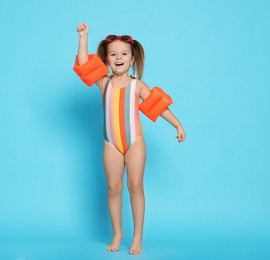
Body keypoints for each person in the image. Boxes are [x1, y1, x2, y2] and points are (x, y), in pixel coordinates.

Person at [74, 22, 186, 255]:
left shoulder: (137, 85)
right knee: (114, 188)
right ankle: (118, 233)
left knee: (135, 186)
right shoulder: (103, 83)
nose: (118, 58)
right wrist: (84, 37)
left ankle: (137, 236)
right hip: (111, 144)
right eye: (113, 54)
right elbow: (84, 64)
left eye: (124, 54)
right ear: (106, 59)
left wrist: (177, 124)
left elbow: (158, 105)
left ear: (132, 59)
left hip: (135, 142)